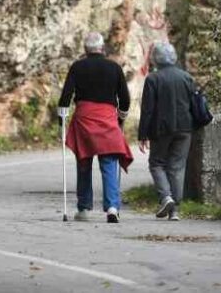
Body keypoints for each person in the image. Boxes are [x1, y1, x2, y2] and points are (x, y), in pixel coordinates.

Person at [58, 32, 133, 223]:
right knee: (109, 163)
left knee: (84, 163)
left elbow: (66, 95)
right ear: (102, 48)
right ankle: (112, 207)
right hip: (107, 118)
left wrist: (62, 120)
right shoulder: (114, 67)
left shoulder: (77, 67)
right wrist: (121, 118)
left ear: (85, 49)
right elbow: (124, 98)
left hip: (84, 117)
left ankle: (83, 208)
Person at [137, 42, 195, 221]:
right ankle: (175, 210)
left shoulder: (153, 79)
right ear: (174, 57)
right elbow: (194, 103)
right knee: (177, 167)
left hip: (162, 129)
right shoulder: (186, 77)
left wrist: (142, 135)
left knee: (156, 163)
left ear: (156, 59)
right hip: (185, 128)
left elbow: (147, 110)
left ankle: (166, 197)